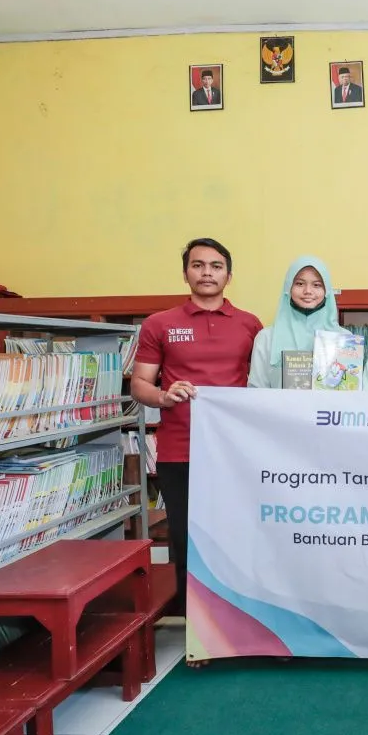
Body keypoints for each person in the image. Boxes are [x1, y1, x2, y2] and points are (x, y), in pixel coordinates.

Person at [131, 238, 262, 665]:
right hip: (180, 450)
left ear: (229, 274)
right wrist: (163, 396)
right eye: (198, 265)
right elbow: (140, 385)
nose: (207, 272)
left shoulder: (250, 324)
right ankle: (199, 638)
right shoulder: (160, 324)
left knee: (242, 538)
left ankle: (251, 629)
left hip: (236, 454)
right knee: (189, 542)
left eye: (216, 265)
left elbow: (263, 384)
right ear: (185, 272)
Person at [248, 256, 347, 388]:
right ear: (288, 288)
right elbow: (256, 390)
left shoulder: (345, 339)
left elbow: (349, 392)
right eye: (300, 284)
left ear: (326, 291)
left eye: (317, 285)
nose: (308, 291)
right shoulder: (266, 338)